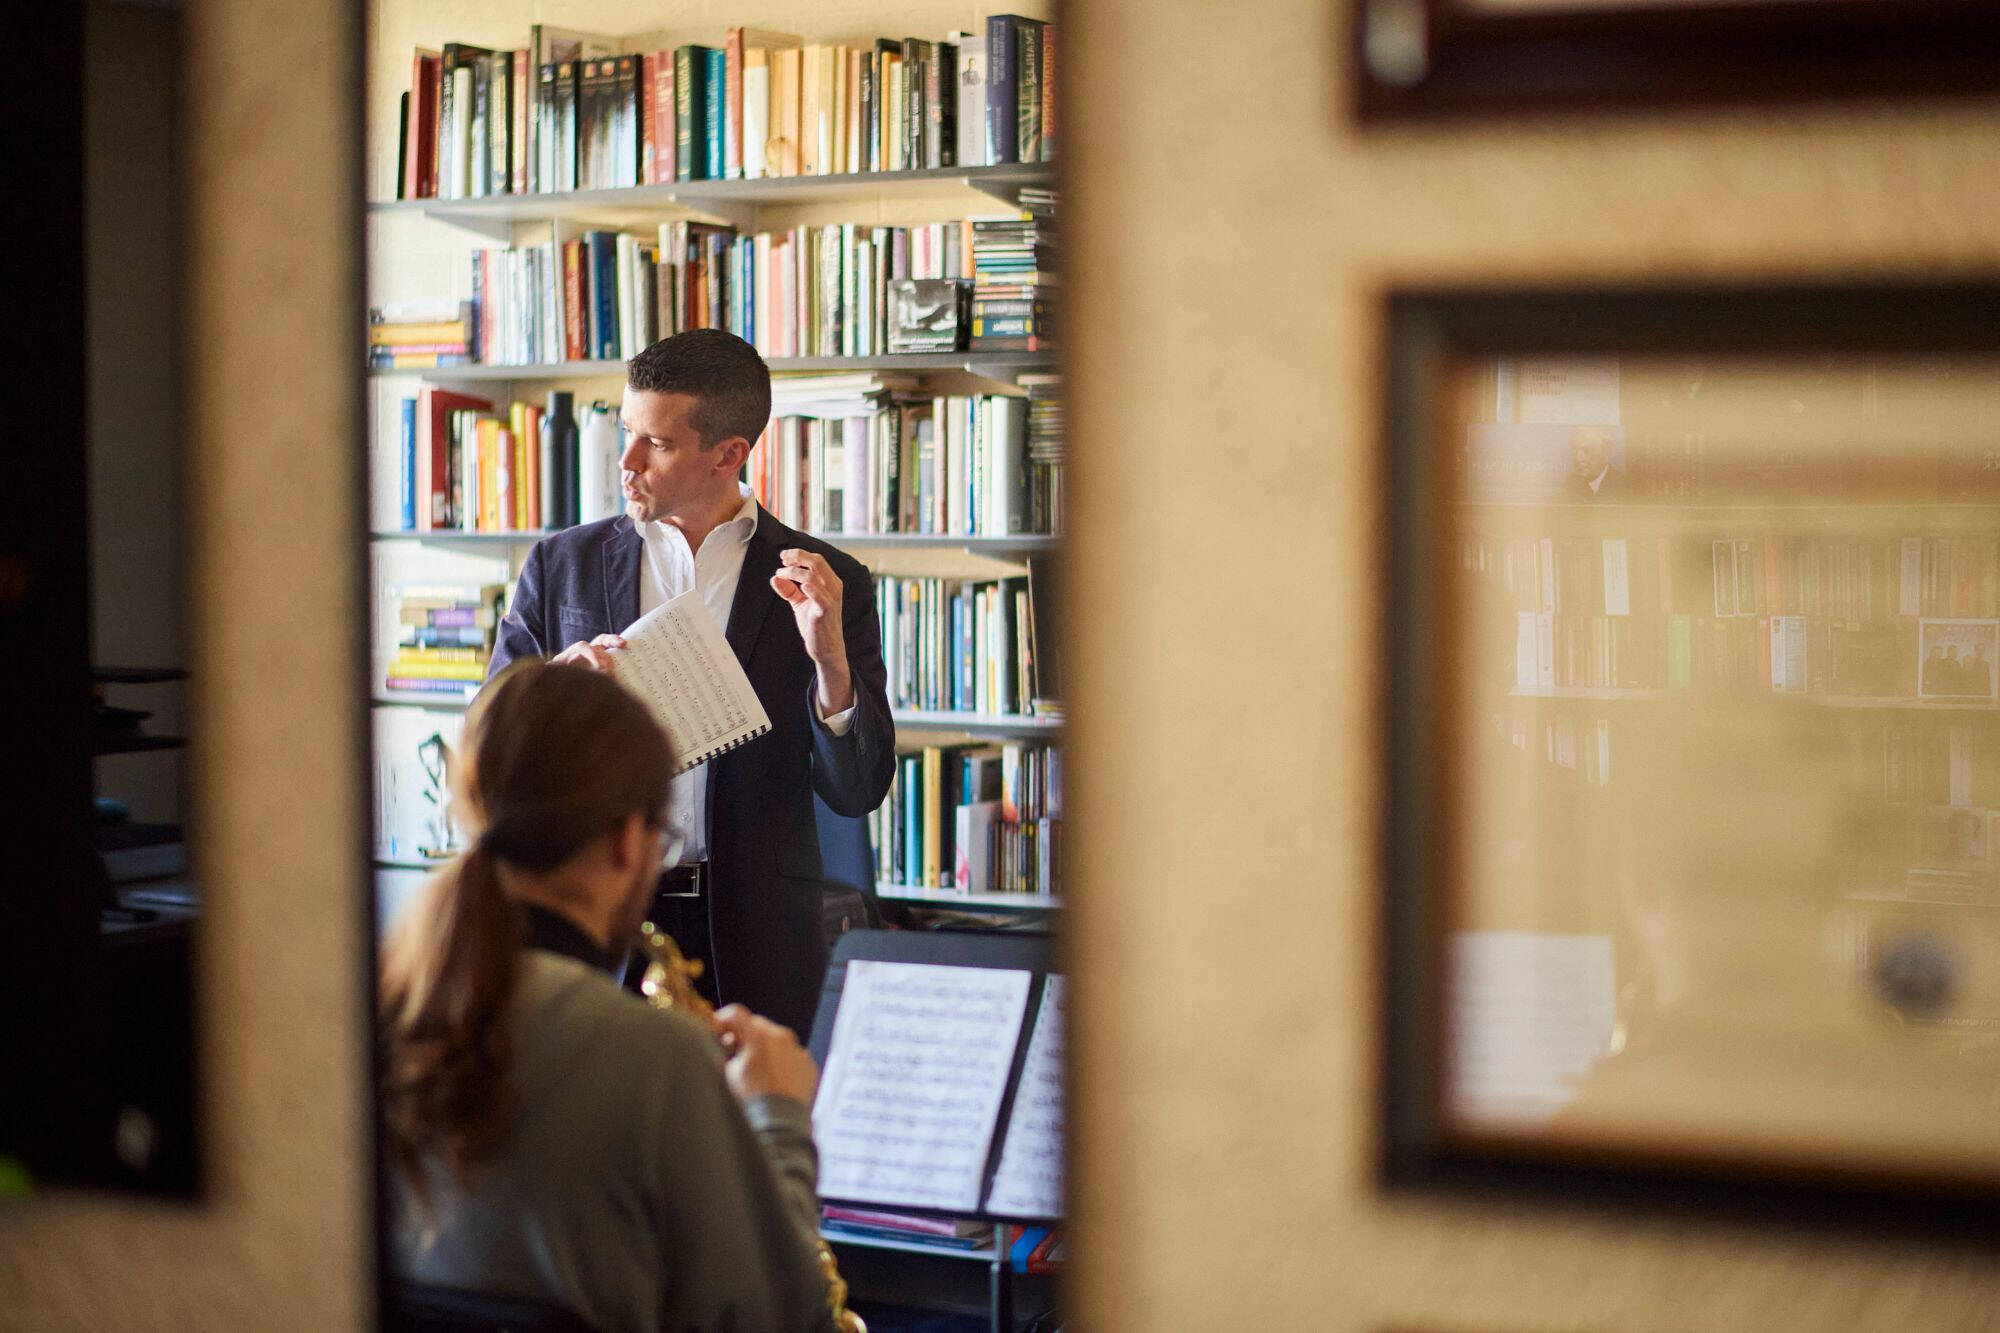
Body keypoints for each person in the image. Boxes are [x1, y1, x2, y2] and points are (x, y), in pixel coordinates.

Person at [380, 659, 838, 1333]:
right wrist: (778, 1118)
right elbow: (785, 1319)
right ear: (629, 837)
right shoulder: (656, 1059)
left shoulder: (374, 1010)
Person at [488, 330, 896, 1038]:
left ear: (729, 454)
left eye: (657, 444)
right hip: (589, 921)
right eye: (626, 432)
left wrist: (831, 660)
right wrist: (553, 688)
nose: (627, 462)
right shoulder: (562, 565)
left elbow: (857, 790)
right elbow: (486, 748)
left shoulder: (831, 583)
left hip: (760, 940)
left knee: (751, 1143)